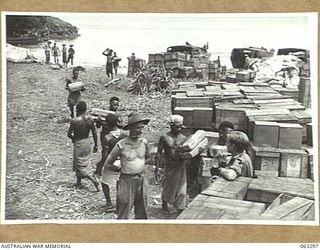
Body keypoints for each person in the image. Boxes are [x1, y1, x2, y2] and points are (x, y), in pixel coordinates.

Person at [103, 112, 150, 219]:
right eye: (138, 128)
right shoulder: (121, 144)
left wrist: (139, 166)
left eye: (142, 128)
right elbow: (108, 163)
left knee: (142, 211)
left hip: (141, 180)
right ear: (131, 128)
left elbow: (147, 157)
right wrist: (121, 168)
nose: (141, 131)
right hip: (126, 181)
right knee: (123, 211)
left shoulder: (144, 142)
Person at [156, 115, 187, 215]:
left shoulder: (183, 138)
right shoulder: (165, 137)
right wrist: (157, 168)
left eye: (180, 127)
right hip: (170, 166)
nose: (179, 129)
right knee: (168, 187)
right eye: (176, 127)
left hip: (180, 166)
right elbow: (159, 152)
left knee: (182, 189)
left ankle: (180, 208)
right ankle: (164, 205)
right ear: (171, 125)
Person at [67, 100, 99, 191]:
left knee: (78, 164)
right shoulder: (90, 119)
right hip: (87, 142)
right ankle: (78, 182)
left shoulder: (75, 121)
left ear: (77, 109)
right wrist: (96, 144)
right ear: (85, 109)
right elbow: (94, 132)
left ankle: (92, 179)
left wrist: (73, 138)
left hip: (79, 143)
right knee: (84, 162)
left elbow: (69, 134)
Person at [99, 113, 127, 212]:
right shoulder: (124, 134)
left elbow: (105, 155)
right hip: (122, 161)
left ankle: (109, 203)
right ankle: (120, 204)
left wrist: (100, 166)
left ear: (107, 124)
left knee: (104, 182)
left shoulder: (107, 138)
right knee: (119, 183)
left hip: (112, 161)